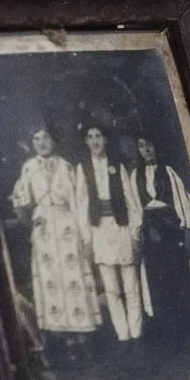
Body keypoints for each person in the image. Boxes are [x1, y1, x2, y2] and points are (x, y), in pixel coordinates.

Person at [9, 126, 102, 335]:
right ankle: (59, 334)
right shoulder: (29, 168)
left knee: (72, 276)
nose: (42, 143)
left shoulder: (66, 167)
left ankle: (82, 333)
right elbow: (20, 199)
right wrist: (31, 221)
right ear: (32, 143)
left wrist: (85, 238)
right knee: (50, 279)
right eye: (36, 138)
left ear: (53, 141)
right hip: (44, 230)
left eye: (46, 138)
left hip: (67, 226)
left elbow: (79, 204)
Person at [73, 124, 144, 341]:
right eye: (90, 137)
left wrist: (134, 233)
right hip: (99, 232)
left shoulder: (116, 165)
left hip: (121, 228)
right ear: (86, 141)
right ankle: (123, 336)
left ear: (105, 140)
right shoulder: (83, 168)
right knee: (111, 289)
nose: (95, 141)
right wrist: (87, 239)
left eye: (99, 136)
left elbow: (131, 200)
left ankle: (137, 334)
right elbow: (81, 205)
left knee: (130, 286)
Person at [132, 133, 190, 323]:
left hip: (170, 230)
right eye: (142, 146)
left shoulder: (168, 171)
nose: (147, 150)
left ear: (156, 147)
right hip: (150, 232)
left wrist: (187, 227)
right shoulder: (135, 175)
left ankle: (185, 322)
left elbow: (182, 200)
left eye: (150, 145)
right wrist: (137, 234)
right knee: (156, 278)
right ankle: (165, 325)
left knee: (177, 275)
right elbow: (134, 206)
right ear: (138, 150)